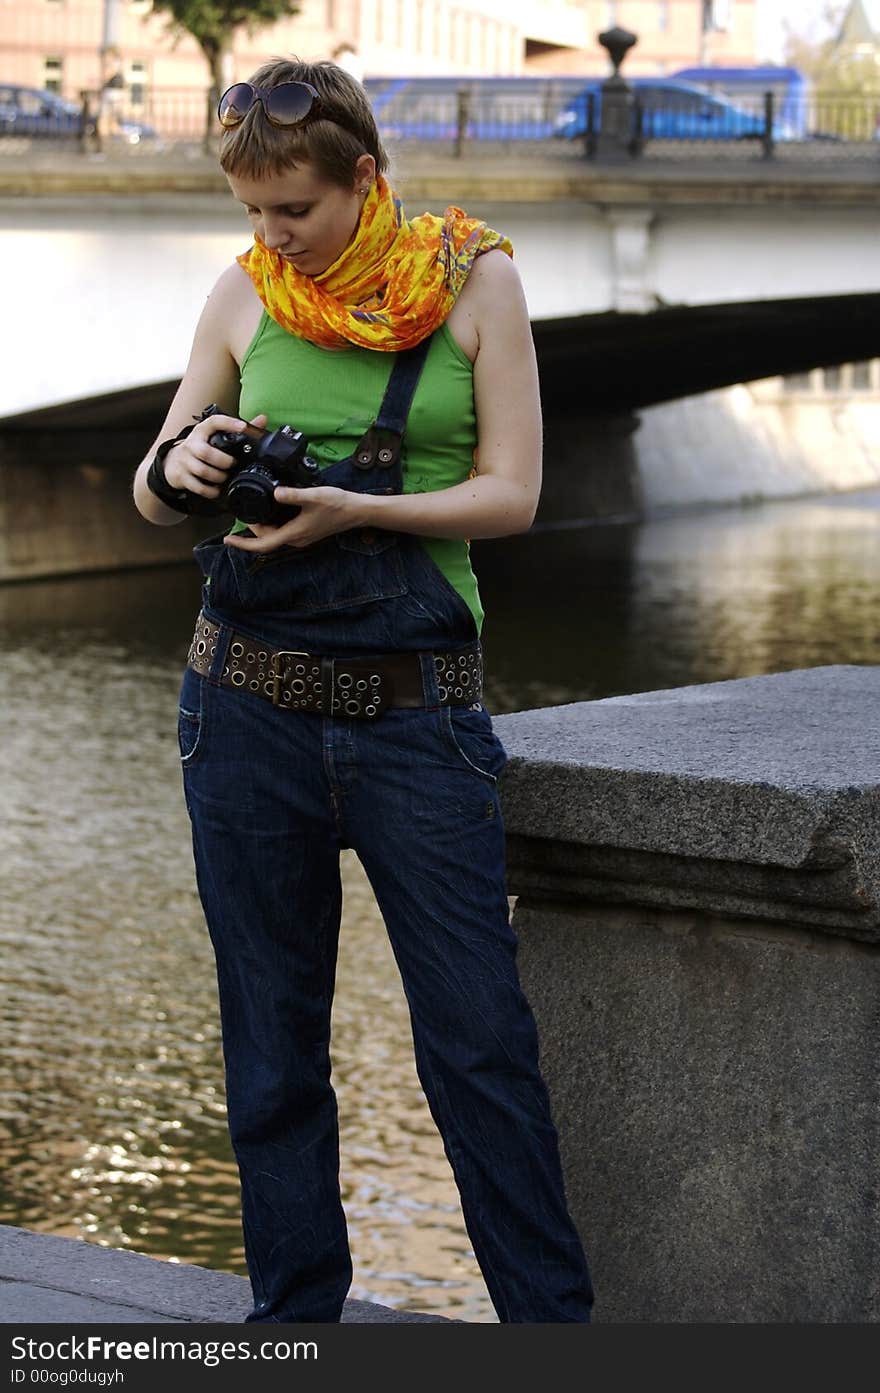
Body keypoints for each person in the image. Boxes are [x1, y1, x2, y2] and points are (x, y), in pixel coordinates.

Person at [132, 57, 593, 1325]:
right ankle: (293, 1328)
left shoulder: (475, 282)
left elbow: (514, 494)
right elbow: (151, 477)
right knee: (271, 1051)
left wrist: (361, 507)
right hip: (241, 713)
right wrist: (187, 464)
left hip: (415, 718)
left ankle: (551, 1331)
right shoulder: (244, 292)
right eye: (253, 214)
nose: (271, 238)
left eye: (295, 210)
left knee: (478, 1048)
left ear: (365, 178)